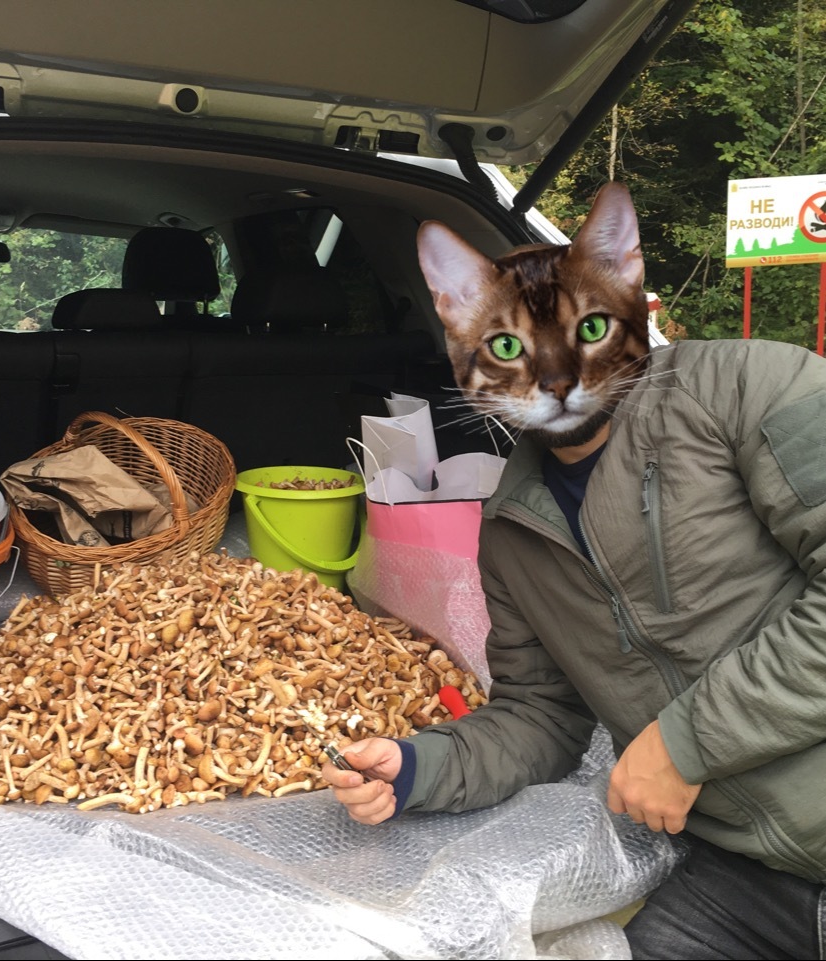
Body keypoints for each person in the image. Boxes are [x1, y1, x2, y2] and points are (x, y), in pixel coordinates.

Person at [322, 335, 826, 958]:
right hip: (746, 876)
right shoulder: (507, 531)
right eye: (507, 345)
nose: (551, 372)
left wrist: (685, 743)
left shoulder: (748, 385)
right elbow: (542, 715)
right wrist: (420, 767)